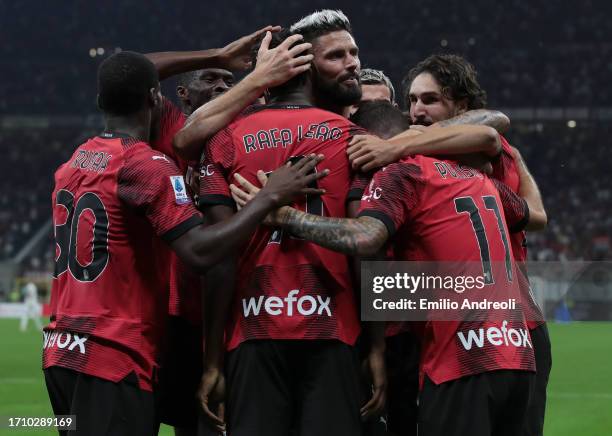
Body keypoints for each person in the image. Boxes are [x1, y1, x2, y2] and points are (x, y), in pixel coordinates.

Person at [42, 50, 326, 436]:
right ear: (158, 98)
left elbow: (129, 68)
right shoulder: (147, 164)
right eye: (211, 79)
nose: (224, 87)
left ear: (99, 101)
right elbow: (199, 252)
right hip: (112, 353)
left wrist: (223, 55)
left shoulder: (75, 160)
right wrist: (267, 197)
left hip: (62, 350)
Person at [230, 100, 547, 436]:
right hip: (519, 357)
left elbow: (367, 237)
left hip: (461, 361)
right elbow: (535, 213)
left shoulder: (403, 172)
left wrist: (283, 216)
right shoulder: (477, 179)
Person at [143, 27, 313, 436]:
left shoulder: (252, 131)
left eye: (228, 82)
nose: (222, 85)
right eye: (211, 81)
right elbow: (139, 69)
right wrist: (217, 57)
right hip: (184, 313)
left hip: (250, 310)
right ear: (183, 97)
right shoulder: (170, 128)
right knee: (194, 422)